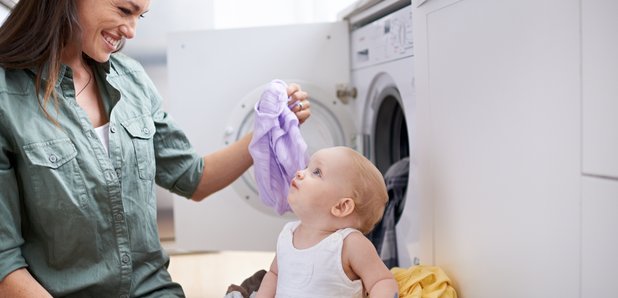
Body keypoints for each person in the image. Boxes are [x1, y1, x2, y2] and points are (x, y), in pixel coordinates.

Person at [0, 0, 310, 297]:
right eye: (124, 10)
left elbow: (194, 178)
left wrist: (266, 130)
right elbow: (4, 263)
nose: (131, 31)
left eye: (140, 16)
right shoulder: (6, 96)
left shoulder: (131, 79)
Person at [256, 146, 399, 298]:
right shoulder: (288, 234)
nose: (299, 172)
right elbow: (274, 274)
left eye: (316, 172)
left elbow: (382, 281)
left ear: (341, 206)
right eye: (307, 167)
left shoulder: (349, 243)